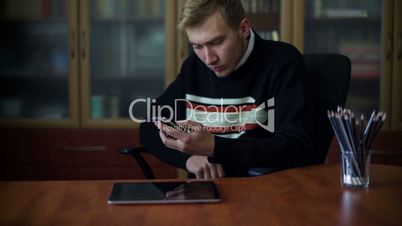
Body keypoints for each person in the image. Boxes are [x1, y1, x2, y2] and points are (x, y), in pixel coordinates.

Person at [139, 0, 314, 179]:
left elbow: (296, 146)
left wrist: (215, 147)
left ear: (244, 29)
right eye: (198, 46)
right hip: (205, 193)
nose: (208, 59)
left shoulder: (282, 62)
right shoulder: (193, 67)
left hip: (265, 192)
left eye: (216, 42)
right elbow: (149, 126)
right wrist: (189, 158)